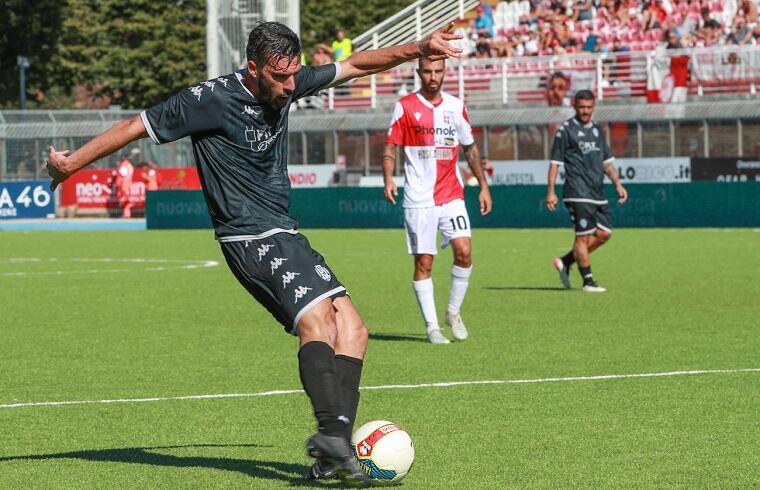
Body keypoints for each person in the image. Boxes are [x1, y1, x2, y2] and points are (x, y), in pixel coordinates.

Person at [45, 21, 462, 488]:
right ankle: (332, 438)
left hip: (284, 231)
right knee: (318, 322)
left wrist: (418, 48)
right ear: (254, 68)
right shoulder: (207, 100)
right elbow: (133, 127)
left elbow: (357, 64)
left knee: (356, 330)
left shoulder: (291, 77)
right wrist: (70, 165)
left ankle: (331, 454)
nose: (290, 87)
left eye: (294, 76)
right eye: (280, 78)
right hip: (247, 236)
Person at [382, 56, 493, 344]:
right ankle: (432, 327)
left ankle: (453, 312)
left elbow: (470, 148)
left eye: (438, 71)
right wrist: (388, 177)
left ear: (445, 73)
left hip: (451, 192)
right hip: (419, 197)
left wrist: (483, 185)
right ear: (419, 72)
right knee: (425, 263)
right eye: (428, 71)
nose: (433, 76)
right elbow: (391, 145)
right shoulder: (404, 106)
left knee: (465, 251)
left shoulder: (456, 107)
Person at [545, 90, 628, 293]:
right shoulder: (565, 130)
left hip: (597, 192)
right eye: (581, 107)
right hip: (576, 191)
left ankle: (565, 261)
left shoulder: (598, 131)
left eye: (589, 108)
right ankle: (588, 281)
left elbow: (607, 163)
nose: (585, 111)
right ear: (574, 106)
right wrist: (551, 191)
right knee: (582, 237)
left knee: (604, 233)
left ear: (594, 107)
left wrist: (618, 184)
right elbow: (555, 164)